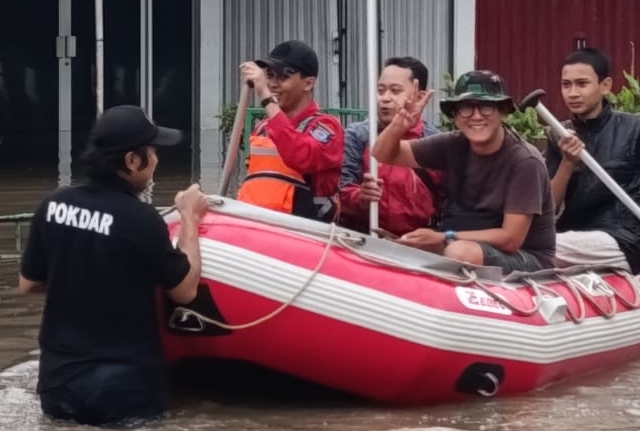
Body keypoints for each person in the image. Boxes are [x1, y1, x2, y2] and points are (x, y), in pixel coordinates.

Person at [18, 105, 208, 427]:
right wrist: (189, 217)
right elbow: (186, 291)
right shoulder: (140, 219)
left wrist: (84, 278)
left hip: (58, 387)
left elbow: (29, 283)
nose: (158, 161)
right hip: (125, 394)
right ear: (132, 161)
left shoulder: (54, 206)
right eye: (154, 152)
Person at [372, 69, 555, 273]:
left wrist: (443, 238)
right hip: (458, 240)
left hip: (525, 258)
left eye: (486, 107)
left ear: (503, 112)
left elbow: (510, 239)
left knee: (459, 252)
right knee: (391, 250)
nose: (476, 116)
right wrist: (401, 123)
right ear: (455, 116)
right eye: (466, 108)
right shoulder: (453, 143)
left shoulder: (524, 161)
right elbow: (383, 154)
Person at [545, 48, 640, 274]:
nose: (572, 93)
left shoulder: (635, 128)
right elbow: (551, 207)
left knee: (540, 248)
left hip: (623, 236)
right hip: (573, 232)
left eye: (582, 84)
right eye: (566, 85)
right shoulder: (558, 134)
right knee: (528, 241)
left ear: (605, 86)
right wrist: (568, 163)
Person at [236, 39, 344, 220]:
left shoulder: (327, 128)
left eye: (283, 77)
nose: (272, 84)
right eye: (269, 76)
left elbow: (301, 156)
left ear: (308, 83)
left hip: (306, 231)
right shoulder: (262, 127)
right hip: (257, 225)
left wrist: (266, 98)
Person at [338, 55, 441, 237]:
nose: (385, 99)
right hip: (365, 238)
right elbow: (343, 189)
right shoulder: (358, 135)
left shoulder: (434, 142)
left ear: (420, 96)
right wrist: (361, 197)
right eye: (380, 90)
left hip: (419, 242)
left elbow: (449, 202)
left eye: (395, 91)